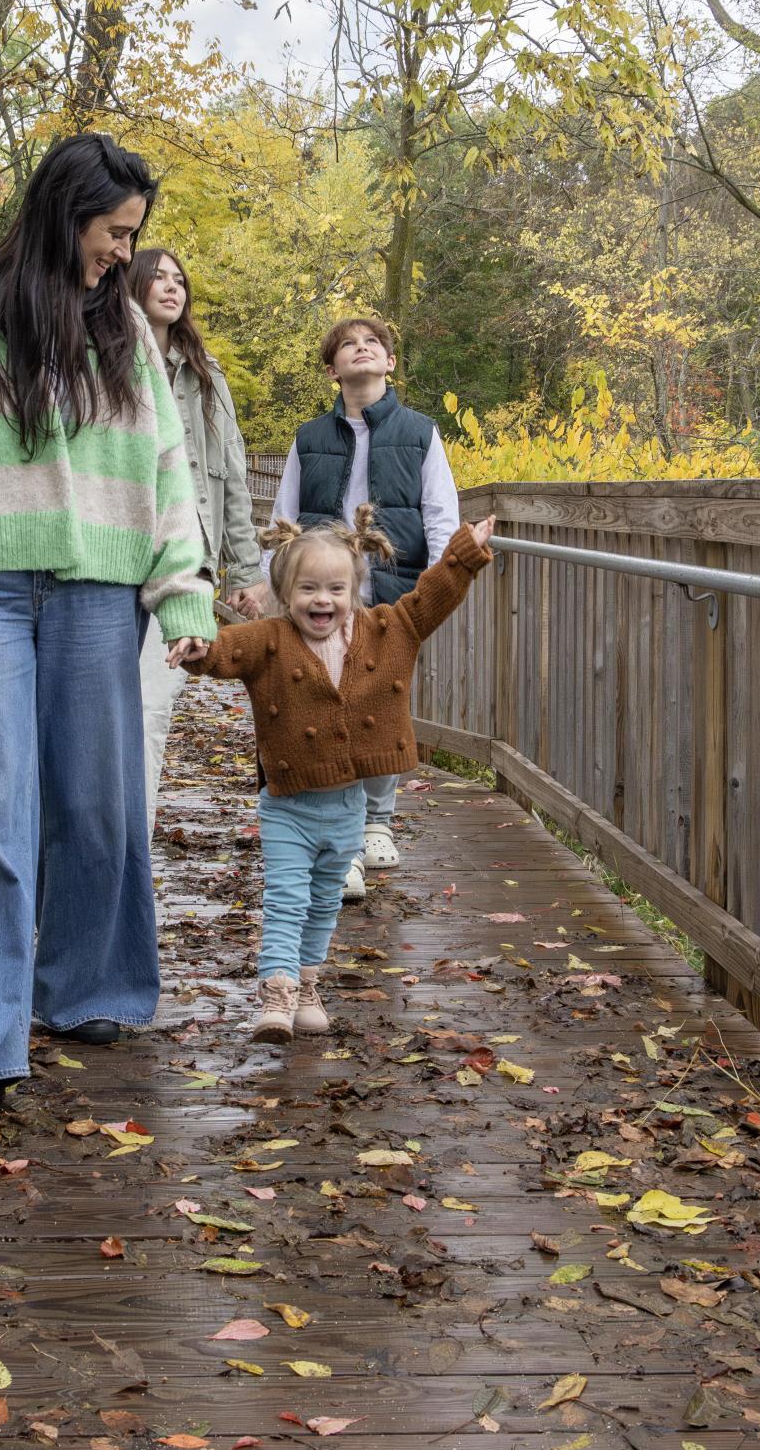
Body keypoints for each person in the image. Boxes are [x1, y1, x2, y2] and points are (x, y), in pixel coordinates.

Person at [0, 133, 216, 1131]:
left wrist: (183, 591)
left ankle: (92, 986)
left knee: (100, 797)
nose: (123, 253)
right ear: (68, 214)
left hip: (101, 591)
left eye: (133, 237)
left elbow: (167, 466)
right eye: (114, 233)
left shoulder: (128, 336)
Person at [186, 505, 494, 1040]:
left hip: (349, 809)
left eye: (335, 588)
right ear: (284, 594)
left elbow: (431, 598)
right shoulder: (270, 639)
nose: (321, 600)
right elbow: (223, 652)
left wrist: (463, 554)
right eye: (307, 589)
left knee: (326, 903)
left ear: (354, 590)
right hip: (289, 807)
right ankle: (275, 997)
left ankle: (307, 985)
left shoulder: (386, 630)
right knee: (286, 899)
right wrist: (195, 647)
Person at [258, 316, 460, 901]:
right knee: (322, 698)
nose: (362, 349)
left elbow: (441, 514)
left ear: (390, 363)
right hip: (322, 589)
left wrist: (440, 582)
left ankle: (376, 821)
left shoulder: (421, 433)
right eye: (348, 345)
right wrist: (272, 585)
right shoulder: (309, 437)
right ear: (333, 369)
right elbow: (283, 517)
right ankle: (342, 841)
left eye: (373, 343)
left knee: (379, 699)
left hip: (391, 584)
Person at [128, 245, 262, 827]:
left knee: (151, 706)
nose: (171, 286)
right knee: (104, 709)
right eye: (157, 276)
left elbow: (232, 474)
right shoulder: (106, 362)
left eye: (179, 279)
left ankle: (135, 835)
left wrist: (247, 571)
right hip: (110, 557)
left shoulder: (208, 379)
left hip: (184, 563)